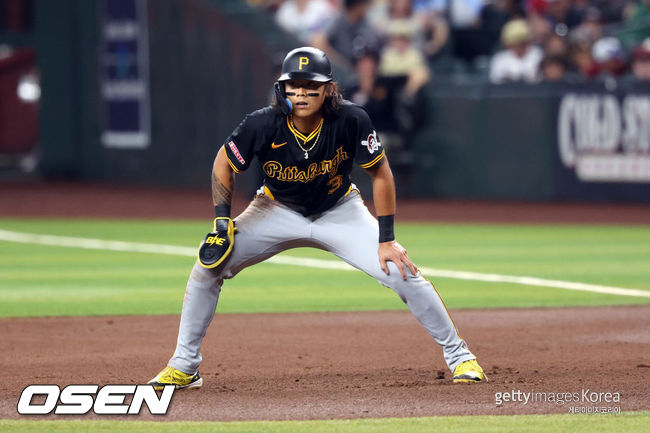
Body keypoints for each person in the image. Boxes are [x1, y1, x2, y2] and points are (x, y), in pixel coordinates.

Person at [148, 46, 488, 390]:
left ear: (328, 89)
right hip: (274, 209)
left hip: (340, 210)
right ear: (283, 88)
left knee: (400, 271)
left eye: (311, 86)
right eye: (294, 85)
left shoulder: (351, 119)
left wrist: (386, 240)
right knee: (208, 267)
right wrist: (222, 221)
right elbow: (224, 161)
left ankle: (461, 357)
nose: (301, 93)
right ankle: (185, 365)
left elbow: (382, 174)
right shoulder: (263, 123)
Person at [489, 19, 543, 83]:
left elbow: (541, 78)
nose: (519, 46)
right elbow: (496, 81)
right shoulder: (499, 59)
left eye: (522, 42)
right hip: (507, 92)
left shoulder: (538, 54)